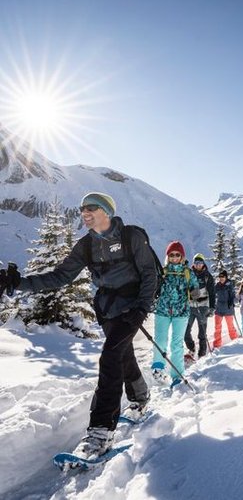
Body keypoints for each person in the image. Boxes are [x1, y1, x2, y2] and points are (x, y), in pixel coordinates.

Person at [0, 192, 157, 460]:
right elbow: (59, 276)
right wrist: (19, 283)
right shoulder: (85, 246)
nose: (84, 212)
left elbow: (149, 273)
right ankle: (140, 396)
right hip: (107, 309)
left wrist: (142, 307)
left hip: (132, 308)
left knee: (109, 358)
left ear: (106, 211)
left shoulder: (132, 236)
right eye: (82, 209)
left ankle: (100, 431)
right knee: (121, 354)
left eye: (90, 208)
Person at [152, 241, 199, 387]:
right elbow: (154, 285)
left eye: (177, 255)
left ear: (182, 256)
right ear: (168, 256)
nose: (174, 257)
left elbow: (195, 286)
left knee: (176, 344)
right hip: (163, 310)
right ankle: (158, 367)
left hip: (181, 312)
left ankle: (177, 375)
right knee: (160, 340)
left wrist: (194, 292)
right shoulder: (163, 271)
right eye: (171, 255)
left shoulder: (187, 272)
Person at [184, 253, 215, 358]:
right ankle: (191, 348)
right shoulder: (189, 274)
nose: (198, 265)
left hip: (203, 307)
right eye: (196, 263)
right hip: (190, 306)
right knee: (185, 331)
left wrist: (212, 308)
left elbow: (212, 293)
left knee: (202, 333)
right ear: (193, 263)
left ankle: (202, 354)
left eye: (200, 263)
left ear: (203, 263)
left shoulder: (207, 276)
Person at [212, 270, 238, 348]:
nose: (221, 278)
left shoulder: (230, 285)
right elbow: (212, 292)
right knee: (217, 327)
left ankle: (235, 340)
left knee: (230, 326)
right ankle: (217, 344)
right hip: (219, 308)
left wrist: (231, 301)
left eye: (223, 277)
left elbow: (233, 295)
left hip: (228, 308)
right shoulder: (218, 285)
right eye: (220, 277)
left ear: (226, 277)